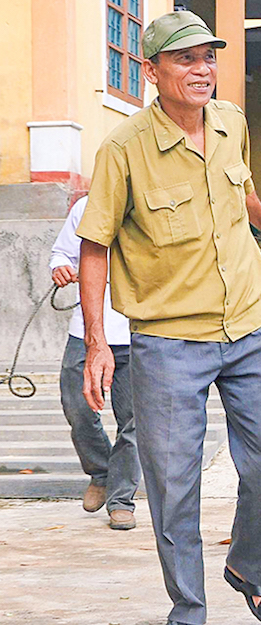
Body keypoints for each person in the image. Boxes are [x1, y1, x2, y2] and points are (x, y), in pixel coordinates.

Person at [76, 11, 261, 625]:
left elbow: (245, 191)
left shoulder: (230, 122)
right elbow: (95, 247)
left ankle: (252, 569)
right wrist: (98, 342)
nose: (203, 70)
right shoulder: (124, 149)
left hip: (251, 322)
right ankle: (188, 604)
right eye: (185, 60)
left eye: (209, 57)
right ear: (152, 72)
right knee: (173, 478)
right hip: (170, 336)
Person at [51, 195, 140, 531]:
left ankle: (121, 499)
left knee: (132, 420)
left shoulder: (151, 205)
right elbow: (62, 252)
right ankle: (100, 470)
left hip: (137, 330)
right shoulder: (85, 207)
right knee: (76, 406)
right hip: (87, 330)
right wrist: (59, 267)